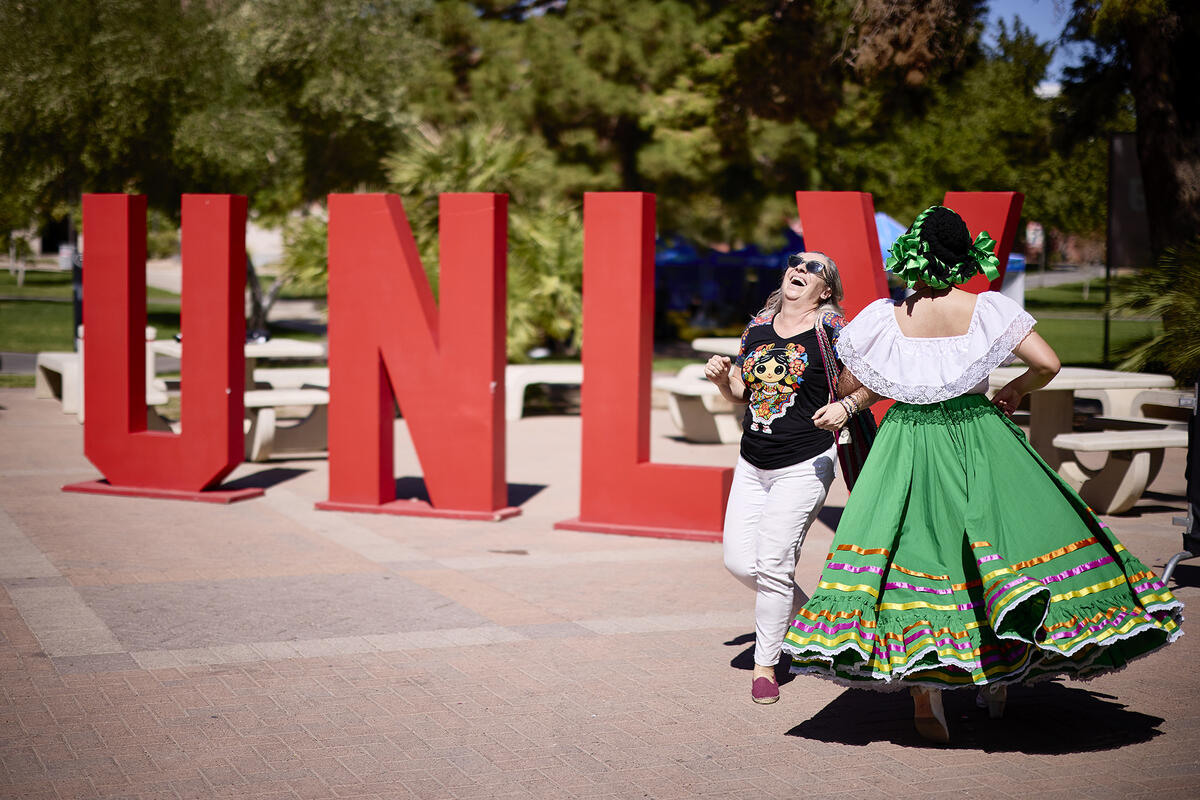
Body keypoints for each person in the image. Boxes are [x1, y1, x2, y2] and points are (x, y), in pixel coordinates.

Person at [783, 205, 1183, 743]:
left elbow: (864, 375)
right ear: (961, 257)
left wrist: (863, 397)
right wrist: (1016, 389)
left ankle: (927, 694)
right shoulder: (986, 308)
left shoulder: (885, 317)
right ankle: (995, 678)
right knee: (995, 547)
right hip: (976, 435)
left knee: (917, 551)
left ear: (913, 256)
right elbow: (1047, 362)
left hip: (907, 441)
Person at [704, 251, 847, 705]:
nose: (800, 271)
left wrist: (847, 406)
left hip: (805, 462)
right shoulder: (757, 328)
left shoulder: (831, 330)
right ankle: (816, 623)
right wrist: (722, 380)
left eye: (814, 269)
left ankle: (765, 666)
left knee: (773, 566)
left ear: (825, 290)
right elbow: (743, 394)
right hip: (752, 463)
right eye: (795, 263)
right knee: (739, 563)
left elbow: (866, 381)